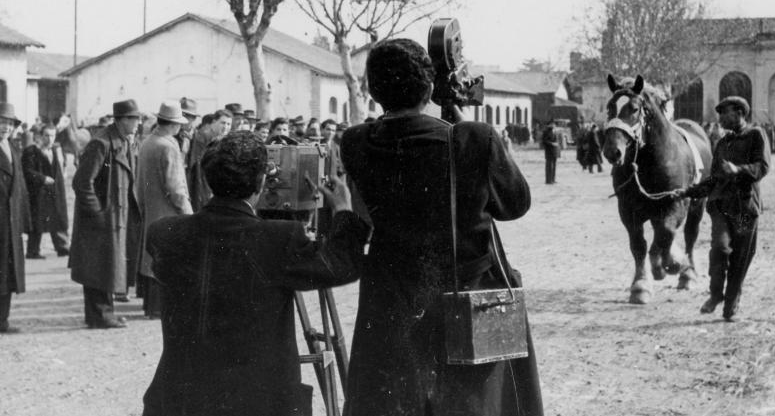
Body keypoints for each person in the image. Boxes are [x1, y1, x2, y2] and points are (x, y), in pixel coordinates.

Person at [340, 39, 543, 416]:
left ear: (371, 90)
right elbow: (515, 205)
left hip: (392, 301)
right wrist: (466, 122)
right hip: (468, 297)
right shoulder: (473, 138)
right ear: (430, 88)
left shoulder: (355, 142)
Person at [141, 131, 370, 416]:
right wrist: (343, 210)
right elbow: (341, 265)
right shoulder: (279, 240)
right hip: (255, 403)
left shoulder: (164, 233)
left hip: (180, 399)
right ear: (262, 181)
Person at [676, 96, 770, 321]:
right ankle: (716, 294)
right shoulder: (722, 144)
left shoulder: (756, 135)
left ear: (739, 113)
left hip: (745, 208)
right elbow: (714, 179)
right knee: (719, 249)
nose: (720, 118)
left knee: (740, 258)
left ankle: (731, 304)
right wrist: (688, 192)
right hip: (721, 206)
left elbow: (763, 166)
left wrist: (738, 170)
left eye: (724, 113)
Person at [70, 99, 142, 329]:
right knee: (97, 267)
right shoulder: (101, 144)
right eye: (134, 119)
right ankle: (99, 316)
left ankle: (105, 312)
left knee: (108, 267)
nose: (137, 124)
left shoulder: (121, 141)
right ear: (121, 120)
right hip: (101, 218)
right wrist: (97, 213)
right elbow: (82, 182)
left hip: (115, 217)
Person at [136, 101, 193, 319]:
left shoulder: (148, 142)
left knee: (152, 257)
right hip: (169, 212)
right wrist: (188, 213)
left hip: (151, 208)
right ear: (175, 124)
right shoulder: (168, 146)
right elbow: (175, 186)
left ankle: (151, 306)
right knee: (168, 259)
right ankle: (160, 308)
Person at [0, 102, 31, 333]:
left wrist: (24, 223)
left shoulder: (14, 149)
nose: (5, 127)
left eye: (9, 124)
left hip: (11, 223)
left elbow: (20, 189)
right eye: (1, 122)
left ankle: (3, 319)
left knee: (9, 273)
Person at [21, 123, 70, 259]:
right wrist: (42, 178)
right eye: (47, 135)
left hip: (54, 191)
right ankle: (33, 251)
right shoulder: (31, 151)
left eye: (53, 135)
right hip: (38, 192)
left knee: (58, 217)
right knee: (38, 221)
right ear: (40, 136)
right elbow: (26, 171)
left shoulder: (55, 151)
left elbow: (60, 170)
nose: (50, 139)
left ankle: (62, 247)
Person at [187, 109, 232, 210]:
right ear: (214, 122)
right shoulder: (204, 136)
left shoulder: (218, 138)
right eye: (223, 123)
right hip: (201, 186)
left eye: (229, 124)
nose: (226, 127)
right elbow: (197, 167)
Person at [541, 119, 560, 184]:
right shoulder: (546, 132)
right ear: (549, 125)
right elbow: (544, 141)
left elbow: (557, 140)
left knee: (554, 166)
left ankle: (553, 179)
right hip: (549, 151)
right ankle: (548, 180)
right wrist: (551, 143)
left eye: (554, 124)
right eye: (552, 124)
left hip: (555, 151)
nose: (553, 125)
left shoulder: (554, 131)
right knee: (549, 166)